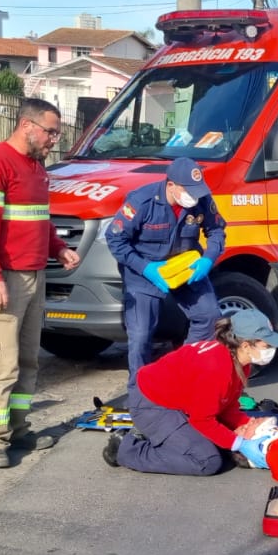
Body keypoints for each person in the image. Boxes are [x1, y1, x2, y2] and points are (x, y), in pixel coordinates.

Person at [0, 98, 81, 469]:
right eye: (50, 132)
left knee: (27, 360)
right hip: (5, 278)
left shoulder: (35, 168)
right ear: (26, 126)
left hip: (34, 274)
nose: (53, 140)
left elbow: (40, 218)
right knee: (0, 363)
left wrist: (58, 248)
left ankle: (18, 429)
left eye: (56, 133)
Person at [103, 308, 278, 476]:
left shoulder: (238, 361)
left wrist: (248, 424)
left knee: (220, 443)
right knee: (207, 461)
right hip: (151, 403)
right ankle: (125, 449)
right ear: (246, 345)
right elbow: (202, 420)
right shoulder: (217, 368)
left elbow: (227, 405)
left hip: (172, 400)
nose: (271, 350)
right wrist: (241, 443)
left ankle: (162, 436)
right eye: (267, 345)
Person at [105, 157, 226, 404]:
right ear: (171, 185)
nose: (194, 196)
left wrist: (208, 260)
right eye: (187, 190)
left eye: (197, 190)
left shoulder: (201, 199)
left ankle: (184, 375)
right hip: (145, 272)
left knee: (209, 315)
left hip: (186, 267)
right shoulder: (142, 201)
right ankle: (140, 395)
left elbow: (216, 231)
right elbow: (115, 239)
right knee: (140, 335)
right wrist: (146, 268)